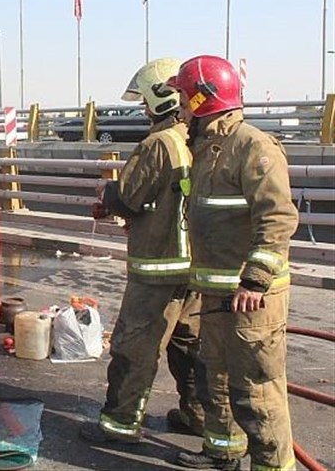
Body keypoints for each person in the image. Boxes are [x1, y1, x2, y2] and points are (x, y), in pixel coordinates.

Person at [168, 55, 298, 471]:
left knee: (257, 394)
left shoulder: (253, 146)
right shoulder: (207, 149)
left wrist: (256, 280)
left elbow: (277, 217)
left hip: (249, 300)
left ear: (201, 98)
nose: (179, 105)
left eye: (184, 96)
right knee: (216, 380)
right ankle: (222, 453)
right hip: (218, 294)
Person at [79, 58, 205, 445]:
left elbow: (130, 198)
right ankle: (198, 415)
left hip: (159, 269)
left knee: (136, 347)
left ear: (157, 98)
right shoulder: (197, 140)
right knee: (191, 348)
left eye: (145, 101)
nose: (143, 109)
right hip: (196, 269)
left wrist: (108, 194)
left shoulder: (157, 144)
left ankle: (120, 423)